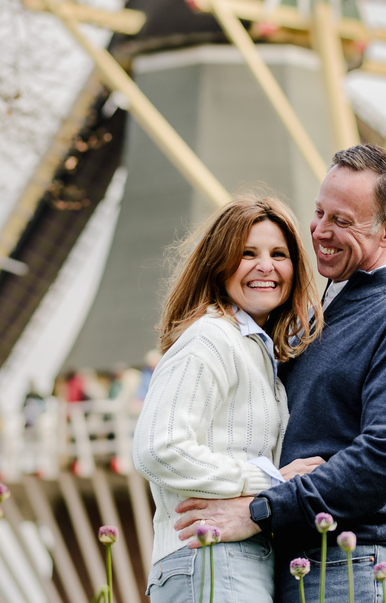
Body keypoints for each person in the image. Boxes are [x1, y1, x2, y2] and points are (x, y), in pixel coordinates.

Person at [173, 144, 386, 603]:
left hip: (362, 567)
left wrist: (260, 510)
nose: (321, 231)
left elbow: (383, 458)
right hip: (303, 565)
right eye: (319, 212)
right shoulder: (312, 321)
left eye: (343, 221)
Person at [133, 196, 324, 603]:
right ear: (220, 264)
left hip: (237, 557)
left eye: (279, 254)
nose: (266, 266)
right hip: (210, 555)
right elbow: (158, 448)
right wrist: (270, 481)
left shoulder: (259, 352)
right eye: (247, 253)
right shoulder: (210, 338)